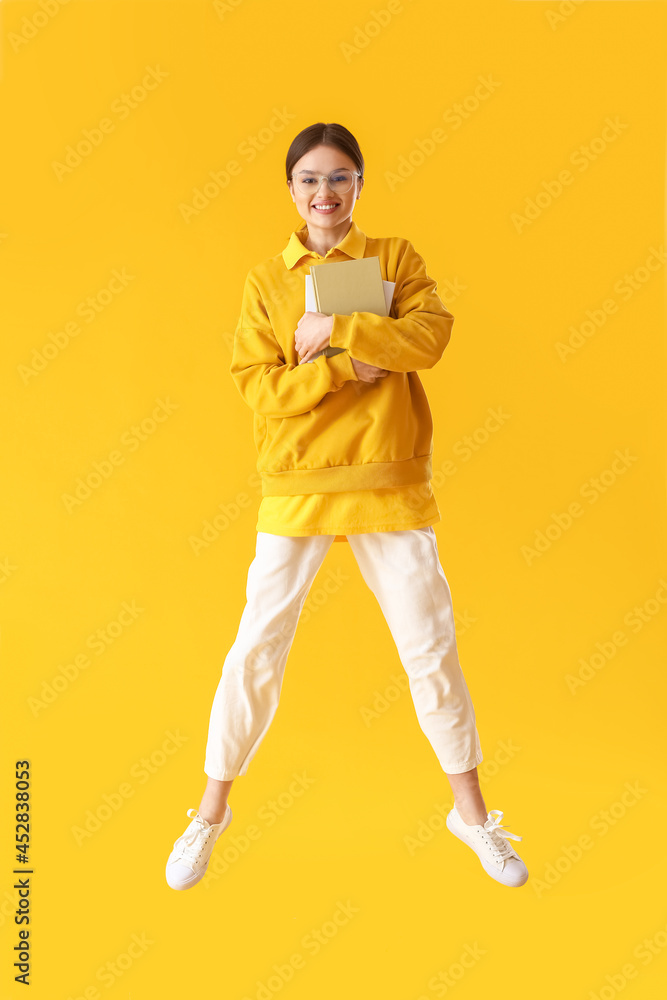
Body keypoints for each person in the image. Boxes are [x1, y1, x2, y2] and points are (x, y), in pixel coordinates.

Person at [165, 122, 528, 891]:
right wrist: (346, 370)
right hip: (297, 482)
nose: (324, 193)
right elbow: (259, 388)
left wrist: (336, 332)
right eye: (309, 180)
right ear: (291, 191)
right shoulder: (265, 280)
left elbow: (429, 337)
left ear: (359, 184)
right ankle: (208, 814)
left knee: (429, 646)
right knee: (256, 651)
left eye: (339, 178)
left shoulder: (394, 259)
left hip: (389, 481)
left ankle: (472, 816)